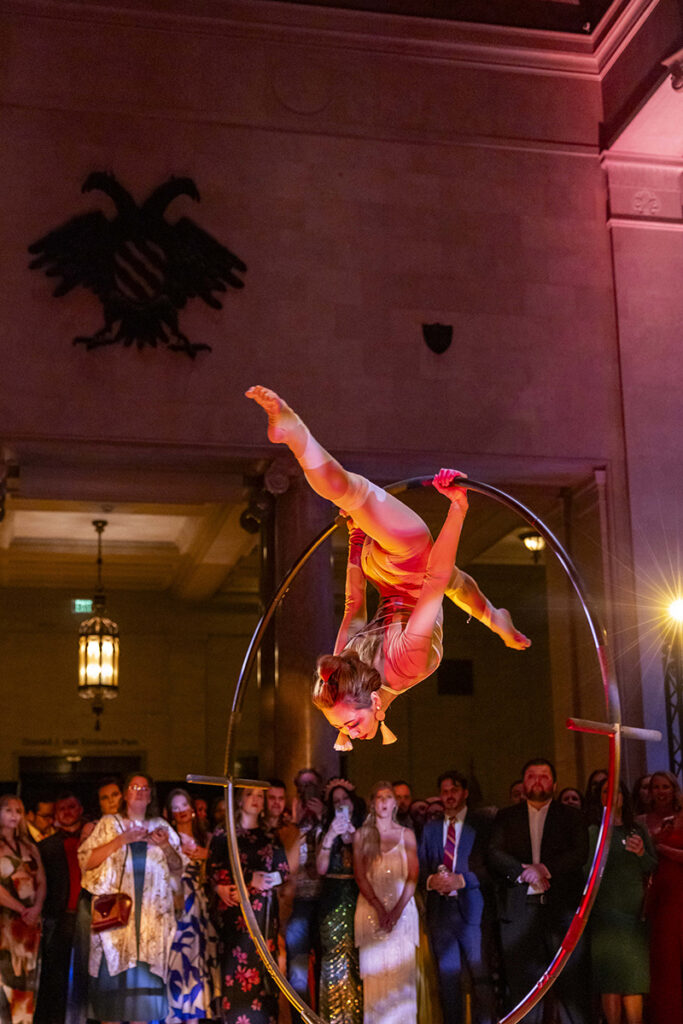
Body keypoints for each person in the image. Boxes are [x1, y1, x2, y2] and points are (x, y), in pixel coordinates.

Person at [246, 386, 529, 750]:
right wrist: (455, 508)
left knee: (350, 493)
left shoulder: (357, 667)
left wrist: (357, 536)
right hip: (395, 567)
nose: (347, 734)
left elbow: (360, 602)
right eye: (348, 726)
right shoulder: (395, 665)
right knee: (454, 582)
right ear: (374, 702)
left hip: (402, 565)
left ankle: (296, 433)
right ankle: (496, 620)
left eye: (344, 726)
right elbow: (428, 581)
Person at [488, 758, 589, 1024]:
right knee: (524, 990)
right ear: (523, 783)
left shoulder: (571, 816)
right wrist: (523, 871)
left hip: (561, 911)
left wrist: (544, 868)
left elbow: (579, 853)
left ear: (554, 784)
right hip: (520, 911)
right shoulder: (506, 817)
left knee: (571, 985)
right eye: (531, 776)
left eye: (544, 776)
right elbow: (494, 852)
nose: (537, 781)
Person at [78, 773, 183, 1024]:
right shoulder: (108, 824)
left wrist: (166, 846)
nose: (139, 791)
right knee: (112, 1007)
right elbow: (86, 861)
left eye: (144, 788)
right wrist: (121, 840)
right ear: (125, 794)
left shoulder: (161, 826)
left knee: (142, 1008)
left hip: (149, 927)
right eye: (134, 787)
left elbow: (178, 868)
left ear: (150, 795)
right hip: (115, 925)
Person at [418, 771, 495, 1024]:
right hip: (441, 915)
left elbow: (492, 867)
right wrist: (431, 881)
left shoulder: (481, 825)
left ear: (465, 793)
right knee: (448, 981)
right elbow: (419, 869)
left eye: (454, 790)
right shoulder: (430, 829)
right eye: (445, 791)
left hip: (473, 912)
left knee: (480, 978)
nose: (449, 795)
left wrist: (461, 880)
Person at [208, 787, 289, 1024]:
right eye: (250, 795)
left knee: (264, 977)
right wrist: (241, 880)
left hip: (262, 916)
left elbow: (283, 872)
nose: (255, 799)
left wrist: (264, 880)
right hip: (235, 917)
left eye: (259, 796)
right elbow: (213, 871)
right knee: (234, 975)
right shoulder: (224, 834)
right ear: (240, 800)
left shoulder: (270, 835)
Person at [587, 780, 656, 1024]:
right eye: (606, 791)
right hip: (604, 915)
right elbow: (585, 871)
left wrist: (640, 853)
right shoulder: (593, 831)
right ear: (600, 797)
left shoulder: (636, 829)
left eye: (617, 791)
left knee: (633, 979)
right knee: (610, 980)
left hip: (632, 914)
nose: (612, 795)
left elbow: (651, 865)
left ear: (624, 797)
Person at [354, 782, 419, 1024]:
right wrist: (380, 909)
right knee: (376, 981)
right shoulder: (361, 836)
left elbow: (412, 876)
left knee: (401, 981)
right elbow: (360, 876)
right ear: (373, 802)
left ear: (395, 803)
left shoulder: (407, 835)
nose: (383, 801)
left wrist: (397, 910)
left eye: (388, 797)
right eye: (379, 797)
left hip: (402, 912)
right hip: (371, 911)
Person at [166, 788, 217, 1024]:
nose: (181, 811)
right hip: (175, 904)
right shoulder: (167, 839)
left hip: (200, 906)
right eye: (175, 807)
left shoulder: (207, 838)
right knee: (176, 959)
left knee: (198, 962)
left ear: (192, 809)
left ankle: (195, 1014)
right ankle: (175, 1014)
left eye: (183, 805)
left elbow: (219, 863)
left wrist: (204, 854)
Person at [34, 792, 85, 1024]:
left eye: (72, 807)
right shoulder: (44, 847)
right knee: (55, 977)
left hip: (89, 917)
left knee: (87, 977)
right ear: (55, 814)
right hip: (58, 917)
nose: (67, 812)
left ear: (81, 810)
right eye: (61, 808)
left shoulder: (96, 841)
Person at [316, 780, 364, 1024]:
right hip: (333, 898)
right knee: (333, 960)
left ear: (353, 802)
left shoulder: (365, 830)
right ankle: (333, 1019)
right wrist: (331, 834)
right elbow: (321, 869)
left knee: (357, 961)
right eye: (336, 802)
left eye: (345, 799)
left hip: (360, 898)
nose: (341, 804)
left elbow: (369, 862)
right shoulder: (326, 833)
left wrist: (353, 835)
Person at [0, 795, 45, 1024]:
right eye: (8, 810)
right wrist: (20, 909)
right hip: (5, 925)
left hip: (29, 928)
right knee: (5, 980)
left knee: (27, 985)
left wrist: (35, 908)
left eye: (18, 811)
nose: (14, 815)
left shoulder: (29, 846)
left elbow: (41, 881)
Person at [285, 769, 324, 1024]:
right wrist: (296, 825)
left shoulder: (330, 820)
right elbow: (289, 867)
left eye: (311, 786)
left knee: (326, 969)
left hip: (324, 900)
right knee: (297, 971)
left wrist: (322, 817)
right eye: (302, 787)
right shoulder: (290, 825)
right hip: (298, 902)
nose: (306, 791)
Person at [646, 788, 683, 1024]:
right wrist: (657, 837)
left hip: (680, 894)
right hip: (664, 898)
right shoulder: (667, 822)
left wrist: (660, 847)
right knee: (666, 959)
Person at [637, 770, 681, 838]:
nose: (661, 791)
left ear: (674, 790)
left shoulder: (681, 818)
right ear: (651, 791)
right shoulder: (640, 821)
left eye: (665, 787)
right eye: (656, 787)